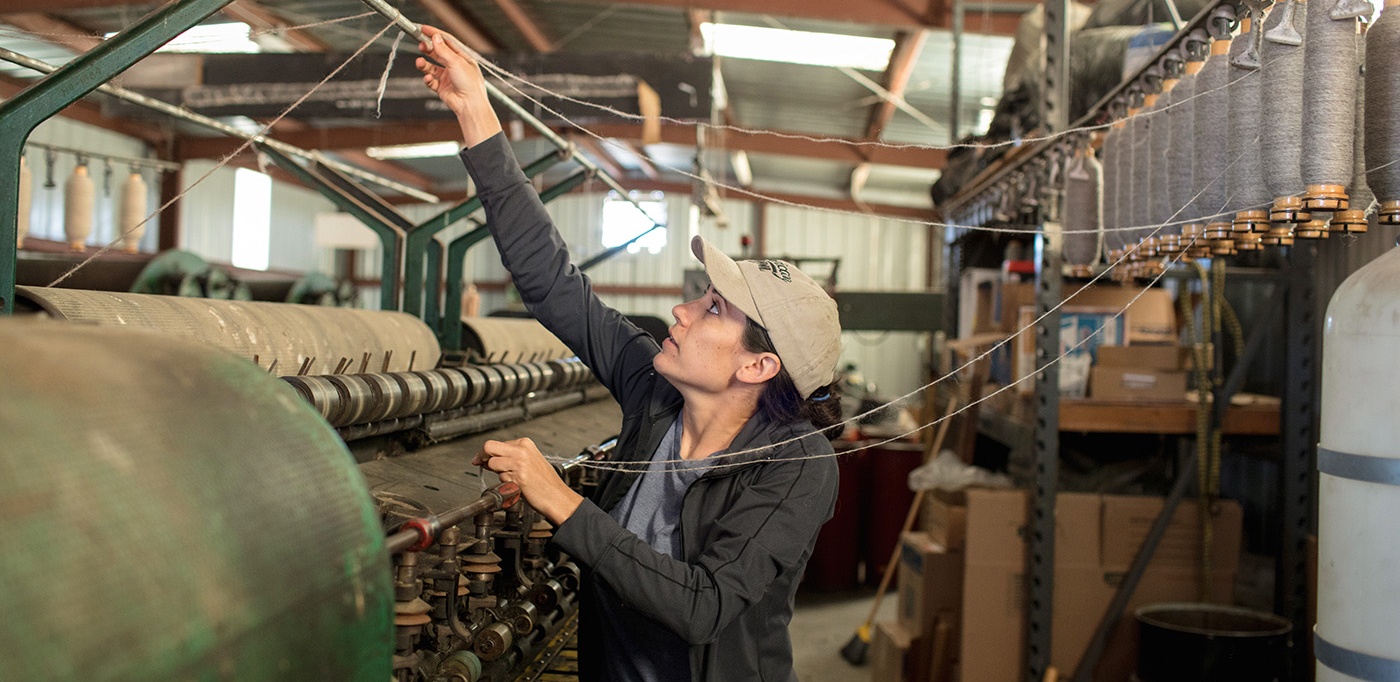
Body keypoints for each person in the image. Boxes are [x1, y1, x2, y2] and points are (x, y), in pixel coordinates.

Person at [416, 26, 845, 682]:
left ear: (757, 367)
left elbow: (703, 606)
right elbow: (553, 283)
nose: (682, 311)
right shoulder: (654, 393)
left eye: (713, 310)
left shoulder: (796, 466)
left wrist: (558, 499)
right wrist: (476, 110)